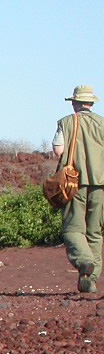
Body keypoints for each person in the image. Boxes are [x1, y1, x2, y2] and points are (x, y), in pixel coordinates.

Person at [52, 85, 104, 293]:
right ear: (91, 103)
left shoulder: (66, 122)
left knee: (73, 228)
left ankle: (83, 262)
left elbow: (59, 151)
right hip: (101, 183)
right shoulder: (102, 123)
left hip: (74, 182)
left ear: (74, 103)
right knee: (95, 232)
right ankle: (90, 280)